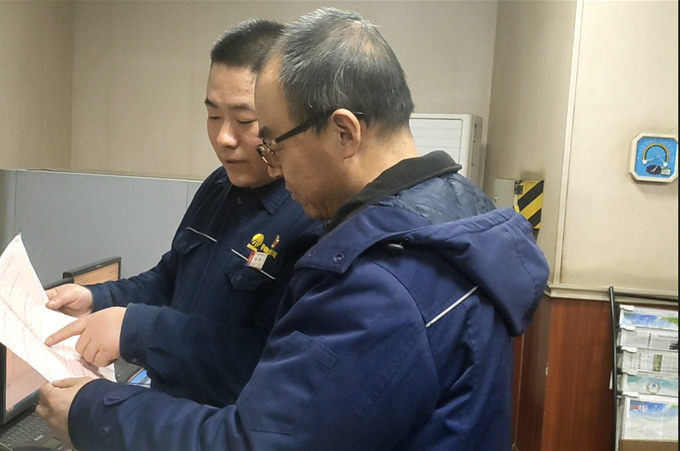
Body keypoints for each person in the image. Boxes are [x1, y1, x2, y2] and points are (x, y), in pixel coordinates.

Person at [37, 8, 550, 450]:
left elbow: (259, 440)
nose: (273, 164)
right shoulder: (453, 209)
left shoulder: (382, 283)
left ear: (344, 132)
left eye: (274, 142)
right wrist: (103, 301)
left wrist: (92, 411)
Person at [42, 19, 321, 408]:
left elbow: (261, 360)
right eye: (213, 116)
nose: (223, 138)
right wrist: (95, 297)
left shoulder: (310, 214)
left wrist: (139, 330)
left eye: (245, 121)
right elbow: (169, 279)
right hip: (166, 411)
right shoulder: (219, 187)